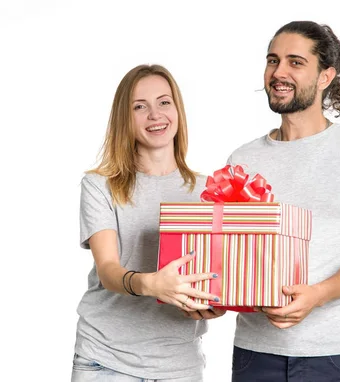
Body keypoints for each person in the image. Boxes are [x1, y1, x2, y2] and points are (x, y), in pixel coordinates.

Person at [227, 21, 340, 381]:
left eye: (295, 62)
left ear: (325, 77)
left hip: (335, 357)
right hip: (256, 357)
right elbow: (233, 254)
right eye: (273, 60)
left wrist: (316, 295)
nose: (278, 72)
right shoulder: (242, 160)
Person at [72, 64, 225, 382]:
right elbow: (108, 270)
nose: (155, 115)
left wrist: (214, 304)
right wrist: (149, 285)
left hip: (180, 364)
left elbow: (215, 276)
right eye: (140, 107)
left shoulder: (209, 189)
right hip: (106, 361)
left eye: (164, 102)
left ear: (178, 110)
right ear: (124, 119)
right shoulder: (100, 185)